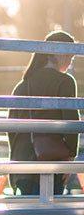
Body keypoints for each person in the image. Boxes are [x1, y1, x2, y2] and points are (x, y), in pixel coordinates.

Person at [8, 30, 78, 196]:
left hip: (22, 161)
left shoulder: (22, 85)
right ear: (55, 54)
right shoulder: (65, 81)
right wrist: (70, 156)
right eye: (68, 56)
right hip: (52, 160)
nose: (69, 61)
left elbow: (11, 128)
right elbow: (71, 122)